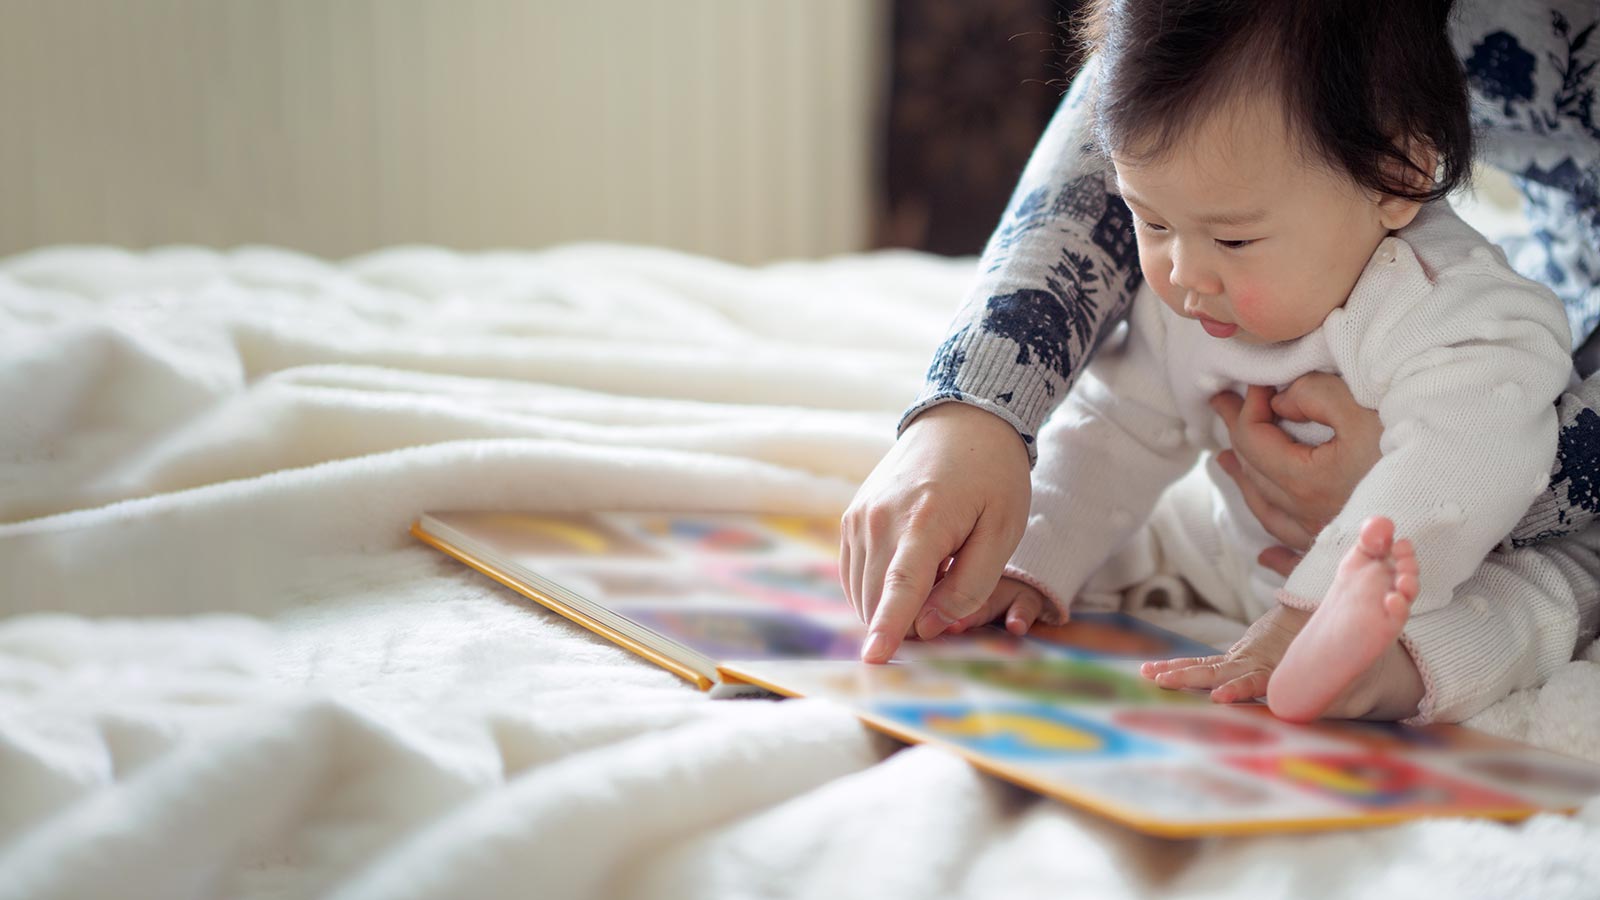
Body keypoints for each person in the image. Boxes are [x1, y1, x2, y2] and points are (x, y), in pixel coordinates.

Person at [842, 0, 1600, 724]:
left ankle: (1372, 669)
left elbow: (1472, 449)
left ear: (1397, 176)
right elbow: (1118, 426)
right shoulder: (1197, 283)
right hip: (1248, 545)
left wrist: (1314, 603)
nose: (1182, 274)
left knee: (1542, 598)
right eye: (1152, 220)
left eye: (1232, 240)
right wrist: (1027, 556)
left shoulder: (1453, 310)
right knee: (1147, 530)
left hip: (1460, 561)